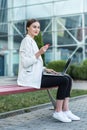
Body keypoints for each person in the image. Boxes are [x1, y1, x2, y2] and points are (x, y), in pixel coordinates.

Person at [17, 19, 80, 123]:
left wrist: (46, 69)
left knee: (67, 78)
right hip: (30, 79)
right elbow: (25, 63)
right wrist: (39, 53)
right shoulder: (26, 41)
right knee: (64, 80)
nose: (37, 29)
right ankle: (58, 112)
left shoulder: (32, 41)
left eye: (38, 27)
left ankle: (66, 110)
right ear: (27, 28)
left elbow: (34, 65)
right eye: (34, 27)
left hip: (37, 75)